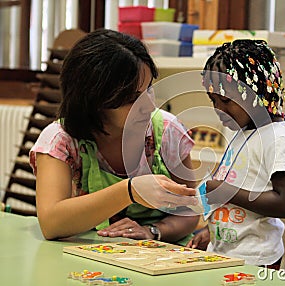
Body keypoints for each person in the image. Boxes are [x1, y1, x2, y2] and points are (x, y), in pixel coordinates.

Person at [29, 29, 199, 244]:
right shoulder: (61, 141)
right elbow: (51, 223)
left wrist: (153, 231)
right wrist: (129, 190)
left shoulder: (167, 131)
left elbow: (190, 210)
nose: (148, 106)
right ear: (94, 103)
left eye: (148, 90)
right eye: (131, 99)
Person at [186, 39, 285, 268]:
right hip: (226, 251)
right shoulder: (241, 131)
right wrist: (211, 233)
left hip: (256, 258)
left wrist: (227, 192)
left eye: (226, 100)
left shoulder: (278, 139)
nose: (218, 109)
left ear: (256, 91)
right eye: (213, 101)